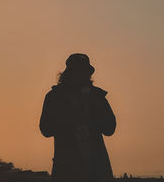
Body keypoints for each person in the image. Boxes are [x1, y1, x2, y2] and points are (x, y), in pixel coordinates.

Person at [39, 53, 116, 182]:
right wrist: (70, 116)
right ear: (68, 74)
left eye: (85, 72)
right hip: (67, 170)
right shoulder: (54, 97)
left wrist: (95, 109)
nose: (82, 76)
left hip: (98, 170)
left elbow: (110, 129)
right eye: (78, 72)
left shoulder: (97, 97)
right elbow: (46, 130)